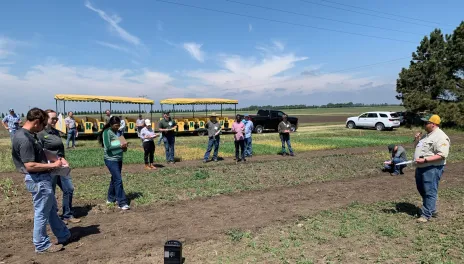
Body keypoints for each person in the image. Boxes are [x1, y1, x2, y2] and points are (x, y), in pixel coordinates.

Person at [11, 108, 73, 253]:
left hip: (41, 178)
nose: (44, 128)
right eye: (43, 124)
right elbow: (30, 165)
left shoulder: (29, 135)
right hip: (38, 179)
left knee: (50, 209)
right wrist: (53, 165)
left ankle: (63, 235)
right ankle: (41, 245)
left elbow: (40, 151)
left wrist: (56, 158)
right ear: (37, 122)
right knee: (42, 212)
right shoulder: (24, 139)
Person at [38, 109, 81, 225]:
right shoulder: (40, 134)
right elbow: (40, 152)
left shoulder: (55, 132)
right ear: (46, 119)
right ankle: (52, 217)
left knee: (69, 188)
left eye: (56, 118)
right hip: (49, 168)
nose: (55, 120)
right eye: (53, 118)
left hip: (60, 166)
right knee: (50, 192)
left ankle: (68, 215)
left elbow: (60, 149)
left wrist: (61, 158)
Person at [413, 114, 450, 223]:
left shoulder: (440, 137)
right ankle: (431, 209)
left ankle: (426, 215)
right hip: (421, 167)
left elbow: (442, 155)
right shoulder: (427, 135)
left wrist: (425, 160)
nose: (424, 125)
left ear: (433, 124)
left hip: (432, 168)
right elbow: (418, 148)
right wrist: (417, 139)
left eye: (426, 123)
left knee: (429, 190)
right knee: (422, 189)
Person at [99, 116, 130, 210]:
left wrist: (124, 146)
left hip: (119, 158)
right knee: (118, 180)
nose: (117, 127)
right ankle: (122, 202)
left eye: (119, 125)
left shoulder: (119, 132)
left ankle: (110, 198)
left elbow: (124, 148)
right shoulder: (106, 132)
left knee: (115, 179)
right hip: (110, 159)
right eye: (116, 125)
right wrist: (120, 145)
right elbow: (107, 146)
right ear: (111, 124)